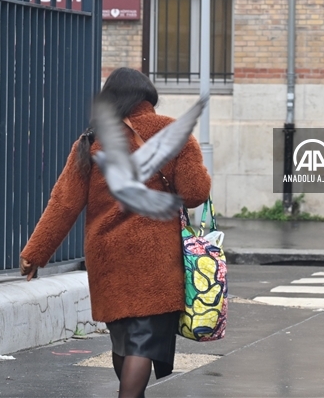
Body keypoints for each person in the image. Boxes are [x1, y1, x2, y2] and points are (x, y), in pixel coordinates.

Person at [19, 68, 211, 398]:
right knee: (144, 341)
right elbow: (195, 193)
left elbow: (63, 204)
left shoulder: (91, 142)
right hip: (156, 258)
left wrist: (34, 254)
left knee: (124, 338)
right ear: (148, 97)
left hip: (107, 257)